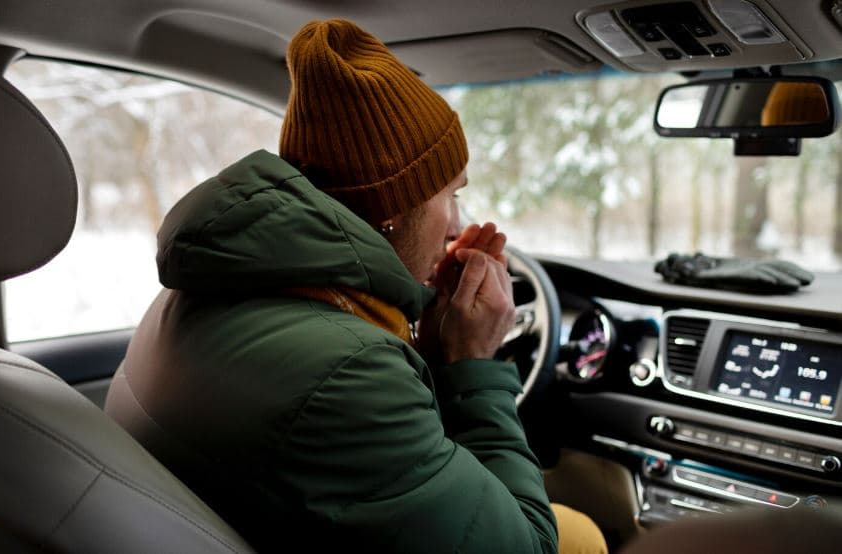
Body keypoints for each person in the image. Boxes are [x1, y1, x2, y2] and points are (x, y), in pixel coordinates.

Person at [106, 18, 605, 553]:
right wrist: (473, 365)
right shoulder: (348, 373)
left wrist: (428, 344)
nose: (460, 226)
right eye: (450, 195)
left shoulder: (207, 284)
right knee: (582, 536)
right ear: (394, 209)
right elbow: (528, 547)